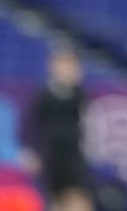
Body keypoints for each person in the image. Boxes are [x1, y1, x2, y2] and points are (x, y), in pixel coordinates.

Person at [21, 47, 94, 211]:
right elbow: (30, 125)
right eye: (62, 63)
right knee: (55, 201)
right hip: (51, 156)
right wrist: (31, 151)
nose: (66, 68)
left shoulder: (79, 94)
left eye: (70, 64)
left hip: (73, 156)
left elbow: (85, 119)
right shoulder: (43, 95)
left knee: (79, 199)